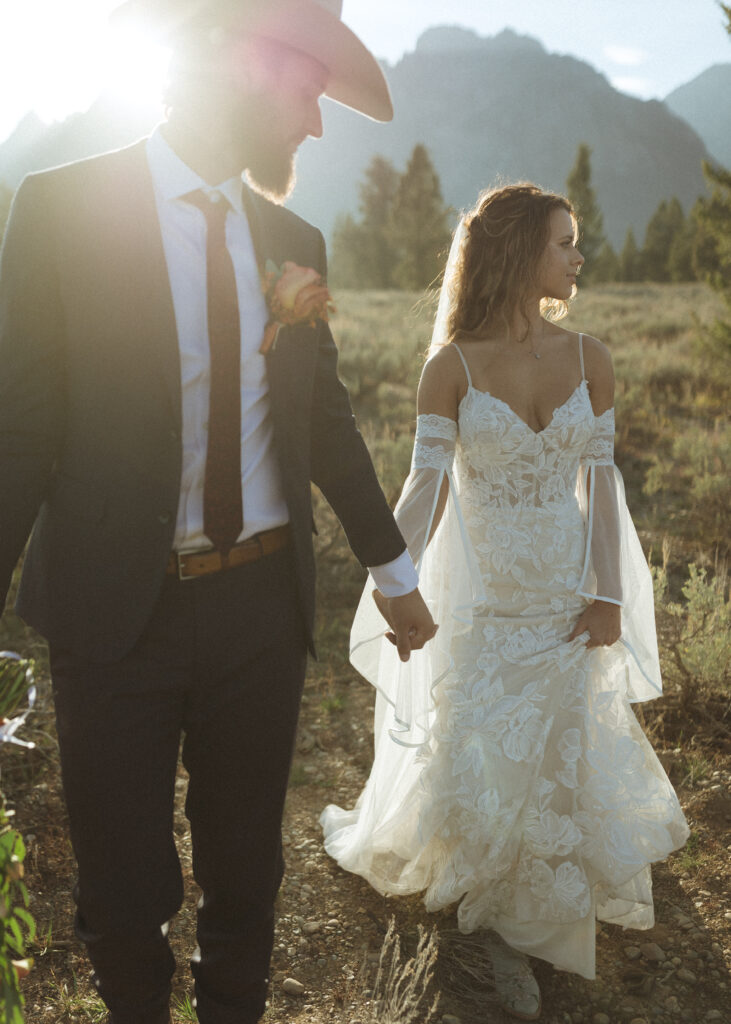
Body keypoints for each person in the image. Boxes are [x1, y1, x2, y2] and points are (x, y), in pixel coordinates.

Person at [0, 1, 438, 1022]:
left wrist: (396, 572)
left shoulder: (293, 238)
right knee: (121, 881)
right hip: (115, 617)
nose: (316, 126)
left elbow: (323, 423)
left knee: (246, 873)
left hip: (258, 617)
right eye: (306, 91)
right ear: (244, 65)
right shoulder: (64, 209)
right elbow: (18, 428)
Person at [321, 184, 689, 1020]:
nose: (576, 256)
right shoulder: (449, 367)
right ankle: (496, 927)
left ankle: (533, 916)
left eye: (576, 242)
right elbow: (426, 488)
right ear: (522, 253)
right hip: (486, 602)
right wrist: (396, 578)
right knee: (484, 752)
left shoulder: (589, 355)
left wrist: (606, 595)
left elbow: (601, 487)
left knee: (560, 750)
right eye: (564, 243)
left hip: (565, 594)